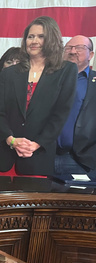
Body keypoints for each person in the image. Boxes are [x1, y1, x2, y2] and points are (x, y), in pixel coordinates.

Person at [0, 16, 77, 177]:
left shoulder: (67, 70)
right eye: (30, 36)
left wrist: (36, 144)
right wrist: (11, 140)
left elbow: (60, 115)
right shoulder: (10, 73)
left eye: (41, 36)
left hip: (36, 157)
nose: (34, 41)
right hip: (2, 156)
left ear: (52, 39)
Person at [55, 35, 96, 175]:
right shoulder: (49, 78)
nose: (72, 51)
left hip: (83, 162)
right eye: (68, 48)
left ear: (91, 54)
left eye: (79, 48)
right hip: (46, 157)